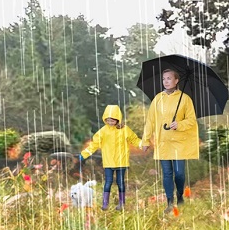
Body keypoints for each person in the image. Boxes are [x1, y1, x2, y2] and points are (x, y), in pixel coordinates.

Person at [142, 68, 200, 206]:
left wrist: (179, 124)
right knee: (167, 173)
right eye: (164, 79)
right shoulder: (157, 99)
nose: (166, 81)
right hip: (163, 141)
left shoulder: (185, 99)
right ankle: (169, 202)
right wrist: (145, 140)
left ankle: (179, 195)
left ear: (176, 80)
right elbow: (150, 120)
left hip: (179, 143)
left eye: (169, 78)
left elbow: (192, 120)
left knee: (179, 173)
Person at [80, 104, 141, 209]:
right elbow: (94, 144)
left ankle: (121, 203)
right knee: (108, 182)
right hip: (108, 162)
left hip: (121, 161)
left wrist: (142, 145)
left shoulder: (125, 130)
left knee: (120, 182)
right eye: (108, 120)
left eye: (112, 120)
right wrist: (84, 154)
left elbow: (134, 140)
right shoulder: (103, 131)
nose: (110, 123)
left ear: (118, 119)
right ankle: (105, 203)